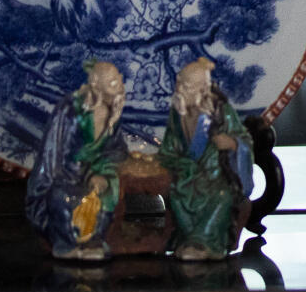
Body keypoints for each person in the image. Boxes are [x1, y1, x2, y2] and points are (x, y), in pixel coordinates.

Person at [26, 60, 135, 258]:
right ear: (96, 85)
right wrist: (81, 176)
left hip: (95, 178)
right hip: (64, 178)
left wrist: (100, 174)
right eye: (112, 83)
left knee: (106, 194)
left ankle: (94, 241)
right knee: (63, 198)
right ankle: (67, 244)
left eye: (119, 81)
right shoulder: (71, 110)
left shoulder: (112, 111)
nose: (120, 88)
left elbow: (116, 151)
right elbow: (55, 154)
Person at [155, 57, 254, 259]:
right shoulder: (178, 113)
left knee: (221, 195)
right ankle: (188, 239)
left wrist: (232, 143)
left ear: (203, 89)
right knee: (177, 193)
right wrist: (177, 163)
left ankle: (203, 243)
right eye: (179, 84)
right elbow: (169, 149)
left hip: (217, 174)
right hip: (187, 174)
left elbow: (245, 141)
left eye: (187, 86)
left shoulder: (221, 112)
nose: (180, 90)